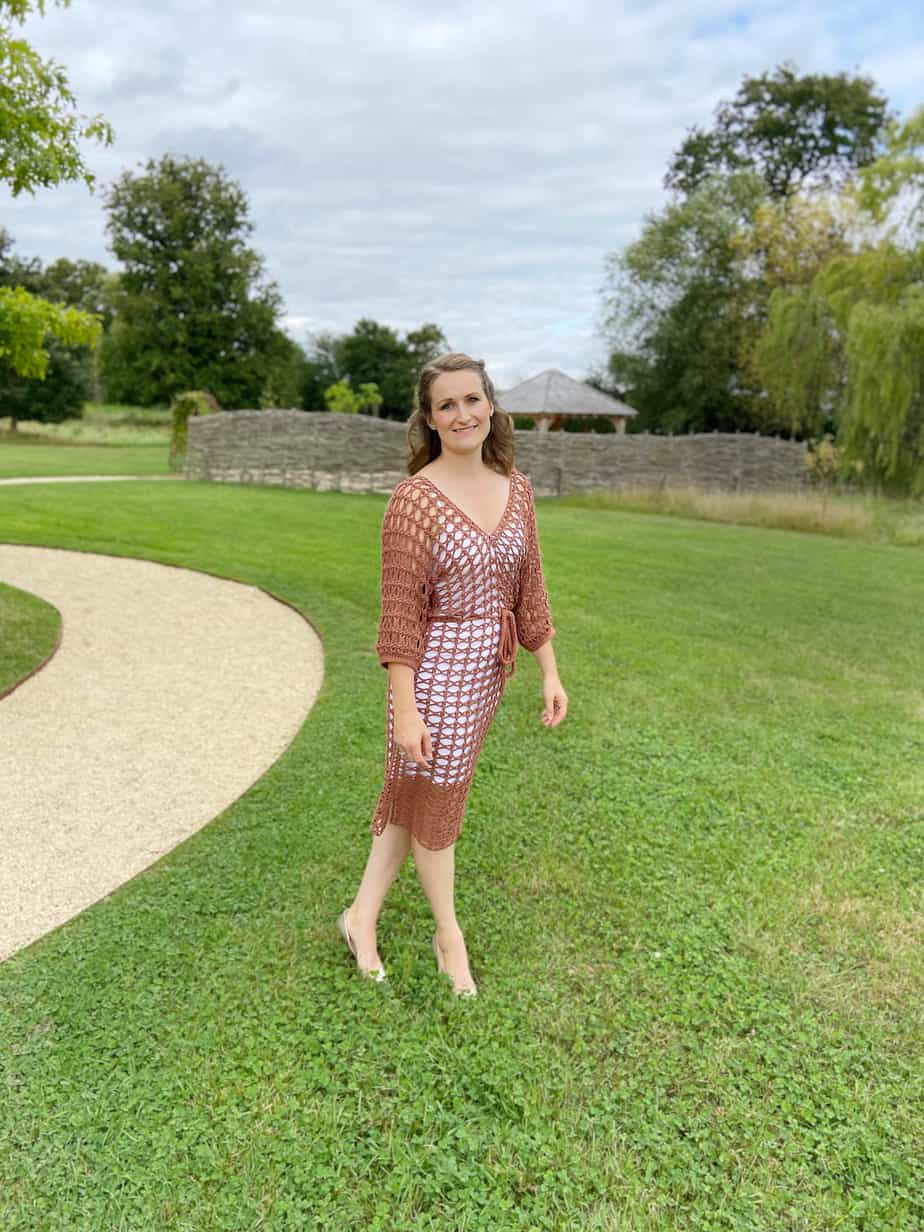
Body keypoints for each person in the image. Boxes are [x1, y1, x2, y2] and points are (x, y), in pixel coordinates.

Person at [337, 351, 568, 996]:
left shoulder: (517, 489)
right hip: (431, 679)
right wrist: (406, 709)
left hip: (484, 677)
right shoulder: (414, 503)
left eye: (473, 399)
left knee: (416, 802)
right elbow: (400, 619)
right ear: (430, 420)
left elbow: (531, 587)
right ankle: (449, 936)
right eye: (447, 405)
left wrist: (548, 669)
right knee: (435, 804)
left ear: (491, 406)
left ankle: (360, 918)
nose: (463, 413)